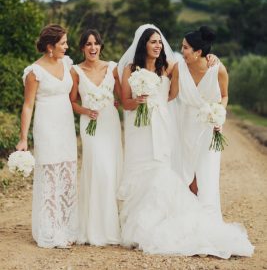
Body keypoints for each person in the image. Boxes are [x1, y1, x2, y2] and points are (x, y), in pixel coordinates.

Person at [117, 23, 254, 258]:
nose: (160, 45)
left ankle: (169, 220)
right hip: (138, 128)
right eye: (154, 41)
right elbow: (124, 102)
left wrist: (211, 55)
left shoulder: (171, 66)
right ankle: (135, 222)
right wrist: (138, 101)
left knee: (164, 172)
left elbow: (172, 95)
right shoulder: (131, 69)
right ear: (143, 45)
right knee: (141, 171)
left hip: (162, 125)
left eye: (161, 42)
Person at [16, 24, 78, 248]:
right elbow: (28, 106)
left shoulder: (67, 64)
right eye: (63, 43)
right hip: (46, 125)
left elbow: (74, 94)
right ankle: (49, 230)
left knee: (67, 173)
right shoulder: (35, 72)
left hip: (66, 124)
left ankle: (67, 226)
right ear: (50, 46)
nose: (67, 47)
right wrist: (24, 139)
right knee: (50, 173)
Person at [70, 29, 122, 246]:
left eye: (96, 44)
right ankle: (93, 228)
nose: (92, 48)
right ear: (82, 47)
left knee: (111, 172)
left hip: (110, 123)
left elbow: (121, 94)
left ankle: (111, 225)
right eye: (88, 44)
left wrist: (116, 103)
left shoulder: (112, 68)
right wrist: (86, 111)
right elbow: (72, 101)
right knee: (97, 169)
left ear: (101, 46)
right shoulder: (75, 71)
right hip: (90, 124)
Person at [175, 26, 228, 221]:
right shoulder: (179, 67)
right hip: (186, 124)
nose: (182, 51)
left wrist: (218, 114)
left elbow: (224, 96)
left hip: (209, 126)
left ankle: (207, 217)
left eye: (186, 48)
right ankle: (187, 215)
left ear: (198, 52)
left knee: (207, 171)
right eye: (182, 47)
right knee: (186, 169)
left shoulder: (218, 69)